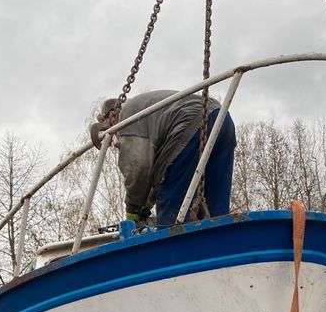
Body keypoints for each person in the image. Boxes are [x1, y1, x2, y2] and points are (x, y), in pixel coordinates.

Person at [91, 90, 236, 226]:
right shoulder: (149, 115)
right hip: (221, 118)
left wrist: (133, 210)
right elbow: (161, 168)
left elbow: (138, 168)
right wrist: (148, 202)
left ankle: (175, 250)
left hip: (191, 122)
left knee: (172, 210)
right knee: (217, 210)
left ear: (112, 116)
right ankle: (222, 246)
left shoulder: (127, 116)